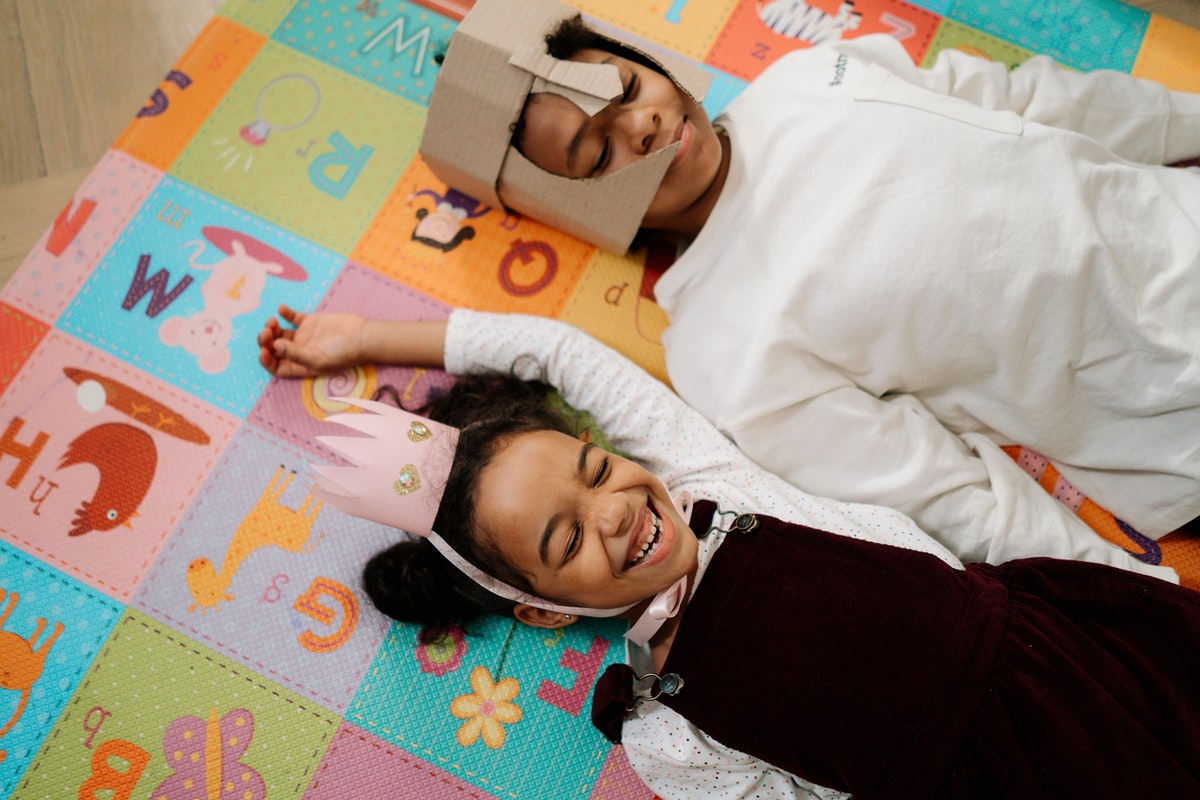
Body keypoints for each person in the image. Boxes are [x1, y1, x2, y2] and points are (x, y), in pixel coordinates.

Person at [258, 304, 1200, 799]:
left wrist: (366, 338)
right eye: (568, 538)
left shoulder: (711, 482)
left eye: (596, 470)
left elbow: (560, 351)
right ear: (542, 608)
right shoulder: (665, 729)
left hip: (1061, 647)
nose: (614, 513)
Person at [421, 0, 1200, 579]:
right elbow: (944, 494)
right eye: (597, 153)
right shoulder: (719, 349)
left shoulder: (806, 76)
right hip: (1168, 418)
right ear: (577, 203)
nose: (642, 126)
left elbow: (1034, 101)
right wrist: (1136, 589)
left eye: (627, 87)